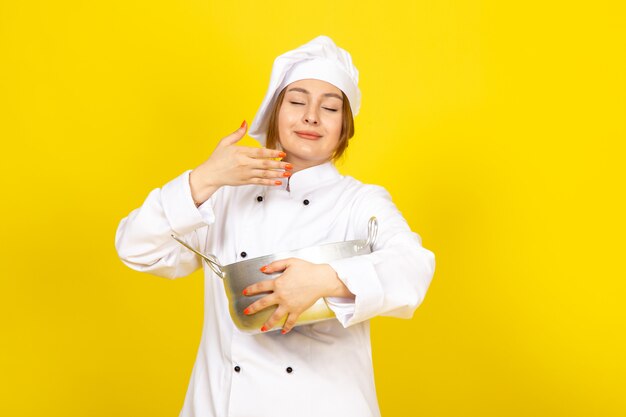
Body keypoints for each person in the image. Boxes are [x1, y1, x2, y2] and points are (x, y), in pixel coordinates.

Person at [115, 35, 435, 417]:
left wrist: (327, 279)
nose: (311, 116)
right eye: (297, 102)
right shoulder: (227, 194)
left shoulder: (359, 201)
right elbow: (135, 248)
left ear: (344, 128)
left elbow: (413, 268)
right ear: (275, 114)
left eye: (330, 108)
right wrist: (202, 179)